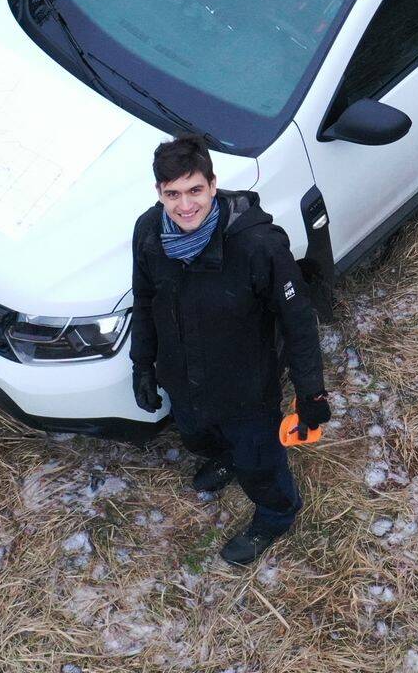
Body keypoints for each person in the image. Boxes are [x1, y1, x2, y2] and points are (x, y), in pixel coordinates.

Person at [129, 135, 330, 565]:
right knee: (198, 438)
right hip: (183, 379)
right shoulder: (149, 233)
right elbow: (144, 300)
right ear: (159, 193)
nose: (185, 206)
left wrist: (311, 394)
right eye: (173, 194)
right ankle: (226, 460)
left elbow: (298, 321)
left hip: (245, 388)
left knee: (258, 460)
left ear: (213, 185)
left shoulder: (258, 246)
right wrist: (142, 365)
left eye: (195, 190)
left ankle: (277, 512)